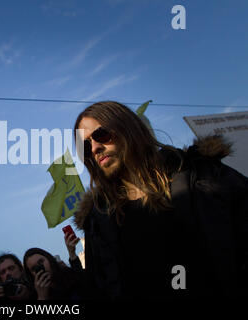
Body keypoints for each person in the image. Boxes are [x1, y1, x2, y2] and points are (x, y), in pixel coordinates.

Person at [73, 101, 248, 299]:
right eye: (85, 146)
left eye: (101, 135)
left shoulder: (201, 177)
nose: (95, 148)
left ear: (128, 128)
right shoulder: (99, 221)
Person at [23, 247, 88, 300]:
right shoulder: (35, 296)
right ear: (31, 275)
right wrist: (42, 297)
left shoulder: (69, 274)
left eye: (41, 262)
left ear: (49, 259)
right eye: (34, 268)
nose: (40, 268)